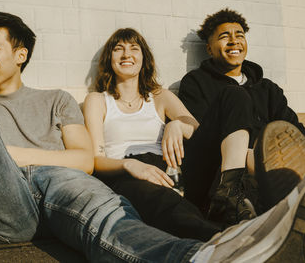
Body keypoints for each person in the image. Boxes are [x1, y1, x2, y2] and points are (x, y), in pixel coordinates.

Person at [0, 9, 305, 263]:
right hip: (14, 196)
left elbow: (81, 161)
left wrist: (180, 122)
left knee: (110, 219)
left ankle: (214, 251)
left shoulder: (57, 98)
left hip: (73, 180)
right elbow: (91, 158)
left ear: (20, 54)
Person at [178, 8, 305, 224]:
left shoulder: (268, 89)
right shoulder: (196, 83)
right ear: (209, 49)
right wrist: (250, 155)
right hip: (218, 172)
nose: (234, 41)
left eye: (239, 35)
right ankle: (233, 201)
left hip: (266, 168)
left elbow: (292, 130)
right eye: (224, 36)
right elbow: (202, 136)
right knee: (235, 97)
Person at [83, 28, 221, 241]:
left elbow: (196, 130)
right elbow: (96, 160)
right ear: (109, 58)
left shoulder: (160, 96)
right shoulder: (98, 100)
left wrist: (176, 124)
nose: (127, 55)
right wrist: (130, 166)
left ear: (143, 58)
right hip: (128, 174)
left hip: (171, 168)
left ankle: (232, 200)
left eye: (134, 49)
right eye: (118, 49)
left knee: (233, 96)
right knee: (165, 204)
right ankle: (221, 239)